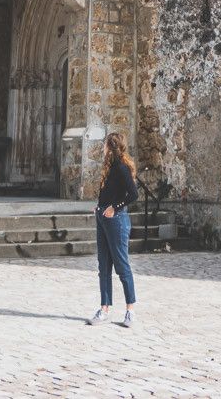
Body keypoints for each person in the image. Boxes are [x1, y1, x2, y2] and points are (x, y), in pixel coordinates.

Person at [88, 131, 138, 327]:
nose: (102, 148)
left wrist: (114, 207)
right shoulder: (109, 168)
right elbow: (109, 193)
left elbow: (133, 195)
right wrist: (100, 206)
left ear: (111, 147)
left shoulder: (122, 168)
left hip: (116, 220)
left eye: (104, 145)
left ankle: (130, 310)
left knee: (122, 266)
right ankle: (104, 308)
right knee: (103, 266)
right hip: (103, 218)